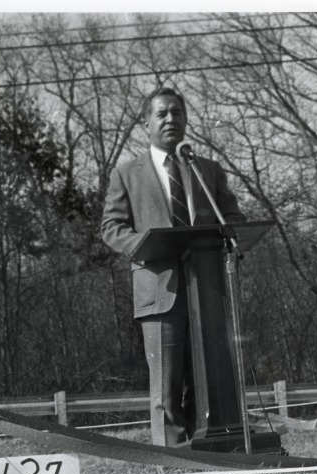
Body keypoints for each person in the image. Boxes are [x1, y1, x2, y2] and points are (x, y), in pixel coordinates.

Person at [101, 86, 245, 447]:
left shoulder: (206, 169)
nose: (170, 119)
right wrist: (145, 244)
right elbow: (111, 227)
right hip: (159, 292)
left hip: (207, 291)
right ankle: (174, 461)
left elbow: (232, 216)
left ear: (186, 120)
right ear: (145, 122)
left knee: (208, 381)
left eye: (177, 113)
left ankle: (210, 451)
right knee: (165, 386)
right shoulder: (126, 174)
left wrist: (230, 231)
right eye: (162, 114)